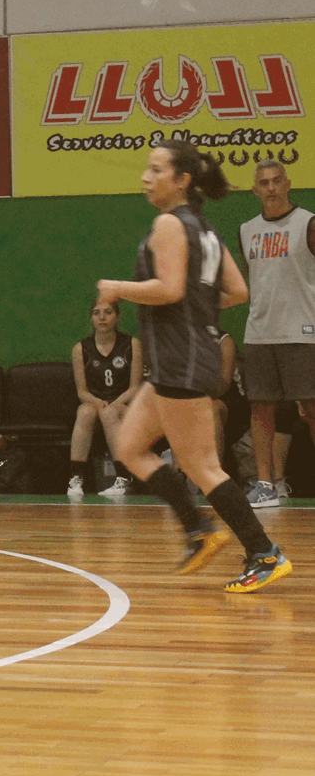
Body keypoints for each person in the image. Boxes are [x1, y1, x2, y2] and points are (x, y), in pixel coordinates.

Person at [96, 140, 291, 594]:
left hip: (180, 359)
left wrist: (117, 288)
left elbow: (169, 289)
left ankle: (264, 552)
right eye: (147, 169)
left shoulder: (169, 223)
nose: (146, 177)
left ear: (182, 180)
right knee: (129, 447)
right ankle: (198, 529)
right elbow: (238, 291)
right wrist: (197, 311)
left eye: (156, 169)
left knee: (202, 467)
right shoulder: (203, 229)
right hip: (181, 356)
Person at [237, 158, 315, 508]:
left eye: (276, 180)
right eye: (264, 182)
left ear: (287, 184)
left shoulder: (308, 223)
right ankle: (266, 484)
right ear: (255, 189)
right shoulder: (246, 230)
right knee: (260, 408)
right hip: (260, 332)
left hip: (303, 330)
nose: (271, 187)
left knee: (311, 408)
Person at [68, 298, 142, 498]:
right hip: (96, 403)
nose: (102, 317)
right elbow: (82, 392)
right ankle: (76, 478)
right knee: (84, 411)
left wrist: (114, 404)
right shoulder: (80, 349)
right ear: (91, 319)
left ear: (117, 317)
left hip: (124, 405)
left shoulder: (132, 345)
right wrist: (98, 403)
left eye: (108, 312)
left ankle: (123, 478)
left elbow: (135, 388)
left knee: (109, 413)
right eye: (96, 313)